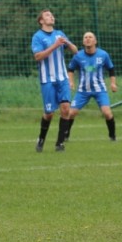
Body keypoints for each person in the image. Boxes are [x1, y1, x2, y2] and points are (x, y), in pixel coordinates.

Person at [32, 9, 78, 152]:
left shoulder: (60, 34)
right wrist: (55, 45)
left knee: (65, 109)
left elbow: (76, 51)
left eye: (52, 15)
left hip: (62, 78)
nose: (51, 16)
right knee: (49, 113)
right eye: (47, 15)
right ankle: (41, 139)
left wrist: (68, 44)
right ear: (41, 21)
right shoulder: (38, 37)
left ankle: (59, 143)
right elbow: (38, 57)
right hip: (48, 79)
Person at [67, 31, 118, 142]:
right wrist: (71, 82)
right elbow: (70, 69)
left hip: (100, 90)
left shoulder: (103, 55)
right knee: (71, 113)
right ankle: (65, 136)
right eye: (85, 37)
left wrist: (113, 83)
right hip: (82, 91)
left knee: (107, 113)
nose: (88, 39)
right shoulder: (78, 56)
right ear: (83, 41)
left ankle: (112, 137)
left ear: (95, 41)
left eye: (90, 37)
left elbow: (111, 69)